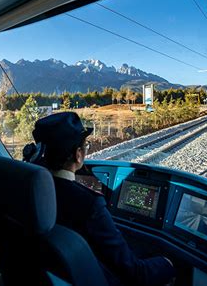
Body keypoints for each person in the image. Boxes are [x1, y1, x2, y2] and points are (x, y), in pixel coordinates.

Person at [28, 112, 176, 286]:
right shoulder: (89, 204)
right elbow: (136, 273)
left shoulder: (30, 193)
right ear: (78, 155)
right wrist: (168, 264)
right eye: (86, 146)